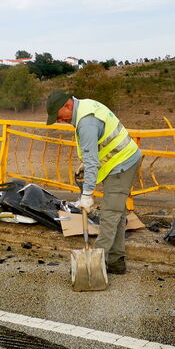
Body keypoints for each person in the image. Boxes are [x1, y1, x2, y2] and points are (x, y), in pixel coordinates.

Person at [46, 90, 142, 274]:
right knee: (117, 214)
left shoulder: (86, 123)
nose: (59, 121)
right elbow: (97, 147)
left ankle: (93, 267)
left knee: (109, 216)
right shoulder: (86, 106)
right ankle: (116, 263)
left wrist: (87, 194)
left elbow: (92, 162)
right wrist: (86, 162)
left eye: (59, 117)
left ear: (67, 105)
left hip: (121, 164)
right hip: (123, 159)